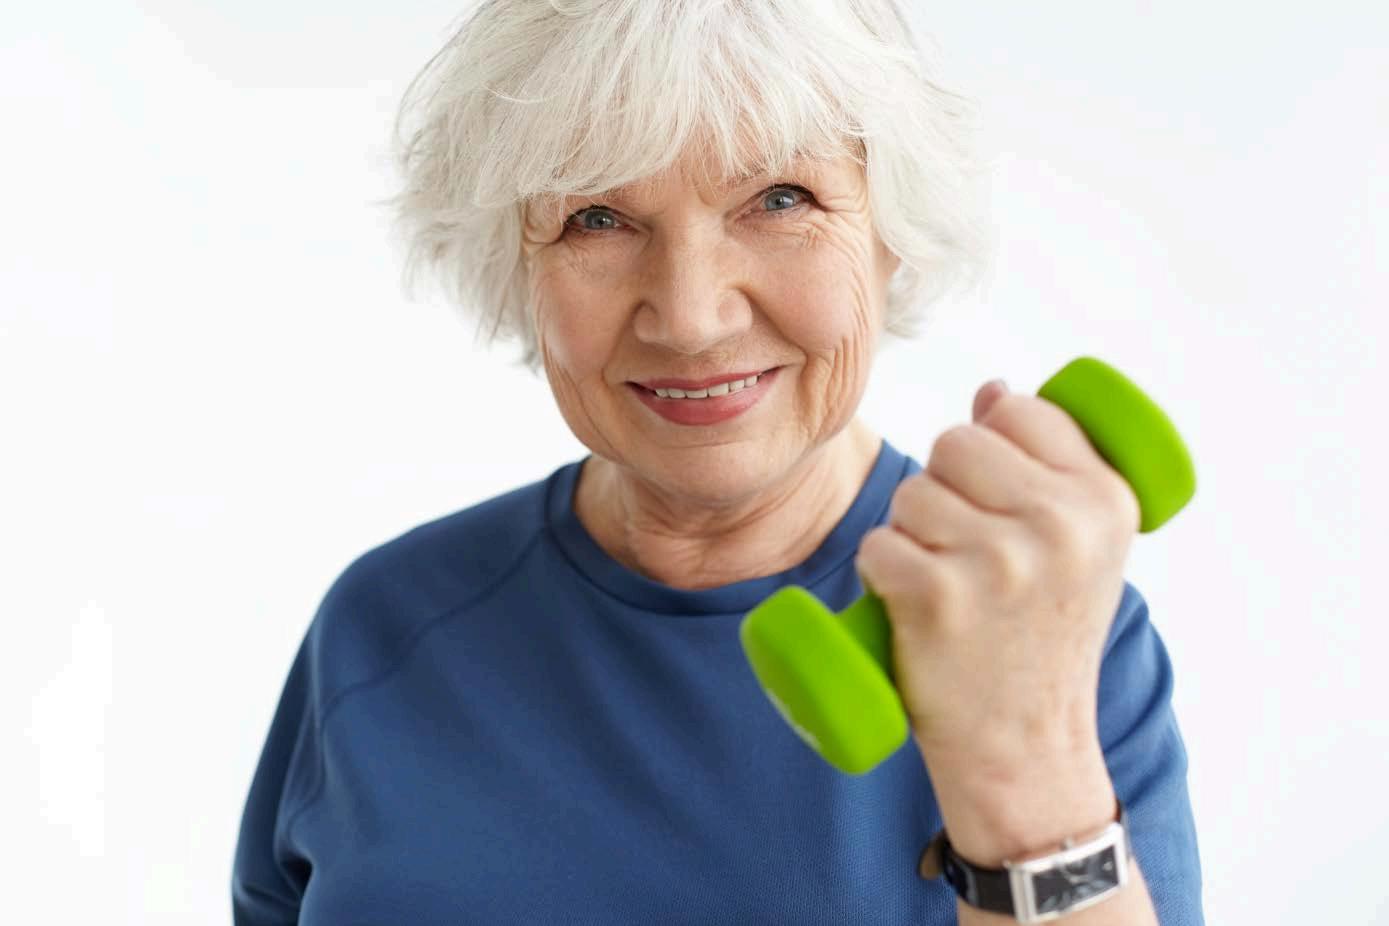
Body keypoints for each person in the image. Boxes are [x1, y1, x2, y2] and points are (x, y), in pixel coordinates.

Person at [232, 0, 1203, 923]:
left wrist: (1026, 772)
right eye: (597, 218)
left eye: (780, 198)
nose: (691, 316)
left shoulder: (1053, 629)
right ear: (517, 265)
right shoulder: (382, 628)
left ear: (891, 237)